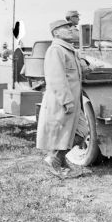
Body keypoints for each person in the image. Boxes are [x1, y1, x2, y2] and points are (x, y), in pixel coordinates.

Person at [36, 19, 84, 177]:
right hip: (61, 101)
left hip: (72, 101)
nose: (71, 29)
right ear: (56, 32)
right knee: (62, 134)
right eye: (66, 27)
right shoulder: (55, 50)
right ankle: (55, 161)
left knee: (80, 131)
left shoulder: (68, 50)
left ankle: (59, 161)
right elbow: (56, 79)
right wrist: (67, 101)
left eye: (71, 27)